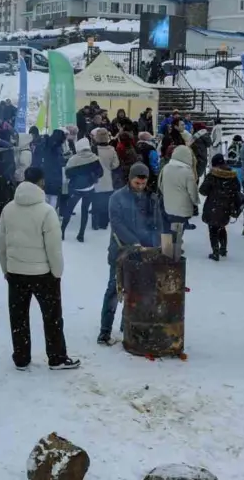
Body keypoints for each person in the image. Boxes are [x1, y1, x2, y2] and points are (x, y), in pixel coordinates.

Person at [0, 167, 80, 371]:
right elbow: (54, 248)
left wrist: (6, 268)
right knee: (52, 317)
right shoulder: (46, 211)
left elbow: (1, 243)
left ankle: (21, 357)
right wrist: (57, 272)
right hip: (43, 274)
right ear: (41, 182)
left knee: (18, 317)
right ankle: (57, 357)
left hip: (16, 272)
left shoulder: (8, 209)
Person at [101, 163, 163, 345]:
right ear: (130, 179)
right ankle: (105, 331)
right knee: (114, 290)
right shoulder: (117, 198)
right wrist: (134, 242)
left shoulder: (152, 198)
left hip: (145, 253)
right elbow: (117, 224)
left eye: (143, 184)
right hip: (120, 251)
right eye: (137, 183)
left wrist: (156, 243)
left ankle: (127, 325)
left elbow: (157, 224)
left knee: (138, 291)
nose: (140, 187)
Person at [157, 145, 200, 256]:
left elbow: (160, 185)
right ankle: (176, 250)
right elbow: (192, 191)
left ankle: (167, 248)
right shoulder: (187, 172)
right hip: (182, 208)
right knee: (178, 229)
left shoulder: (166, 168)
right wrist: (195, 202)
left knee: (168, 228)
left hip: (168, 205)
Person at [200, 153, 243, 261]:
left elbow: (203, 191)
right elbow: (237, 189)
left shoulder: (212, 175)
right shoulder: (232, 175)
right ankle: (223, 249)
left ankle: (215, 252)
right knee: (221, 227)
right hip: (226, 207)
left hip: (212, 205)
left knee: (212, 229)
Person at [61, 146, 103, 242]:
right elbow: (101, 173)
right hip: (90, 188)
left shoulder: (74, 159)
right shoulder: (94, 158)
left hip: (76, 188)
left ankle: (62, 231)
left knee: (69, 209)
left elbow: (68, 173)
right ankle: (81, 234)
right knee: (85, 211)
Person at [90, 128, 119, 231]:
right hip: (108, 181)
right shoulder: (111, 150)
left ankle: (95, 223)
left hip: (95, 181)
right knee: (106, 204)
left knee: (95, 202)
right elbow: (116, 164)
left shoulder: (93, 149)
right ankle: (104, 223)